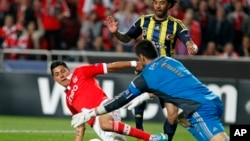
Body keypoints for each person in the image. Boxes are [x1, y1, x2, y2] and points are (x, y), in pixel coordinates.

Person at [71, 39, 230, 141]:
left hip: (199, 108)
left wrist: (91, 113)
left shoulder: (145, 77)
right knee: (181, 118)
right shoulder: (170, 60)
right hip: (212, 100)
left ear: (141, 57)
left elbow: (119, 101)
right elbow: (170, 85)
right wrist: (145, 96)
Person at [104, 0, 198, 140]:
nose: (158, 6)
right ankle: (140, 133)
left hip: (166, 74)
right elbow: (126, 38)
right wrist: (116, 32)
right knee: (139, 99)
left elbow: (189, 41)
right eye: (155, 2)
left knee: (172, 115)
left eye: (162, 3)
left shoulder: (176, 24)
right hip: (147, 70)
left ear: (169, 5)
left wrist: (192, 47)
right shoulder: (143, 21)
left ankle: (166, 139)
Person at [50, 60, 168, 141]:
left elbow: (110, 67)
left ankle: (151, 138)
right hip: (101, 131)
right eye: (57, 74)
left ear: (68, 70)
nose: (61, 75)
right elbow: (80, 127)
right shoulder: (68, 101)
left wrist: (133, 63)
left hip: (106, 109)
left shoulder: (80, 72)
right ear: (54, 79)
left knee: (104, 123)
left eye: (63, 71)